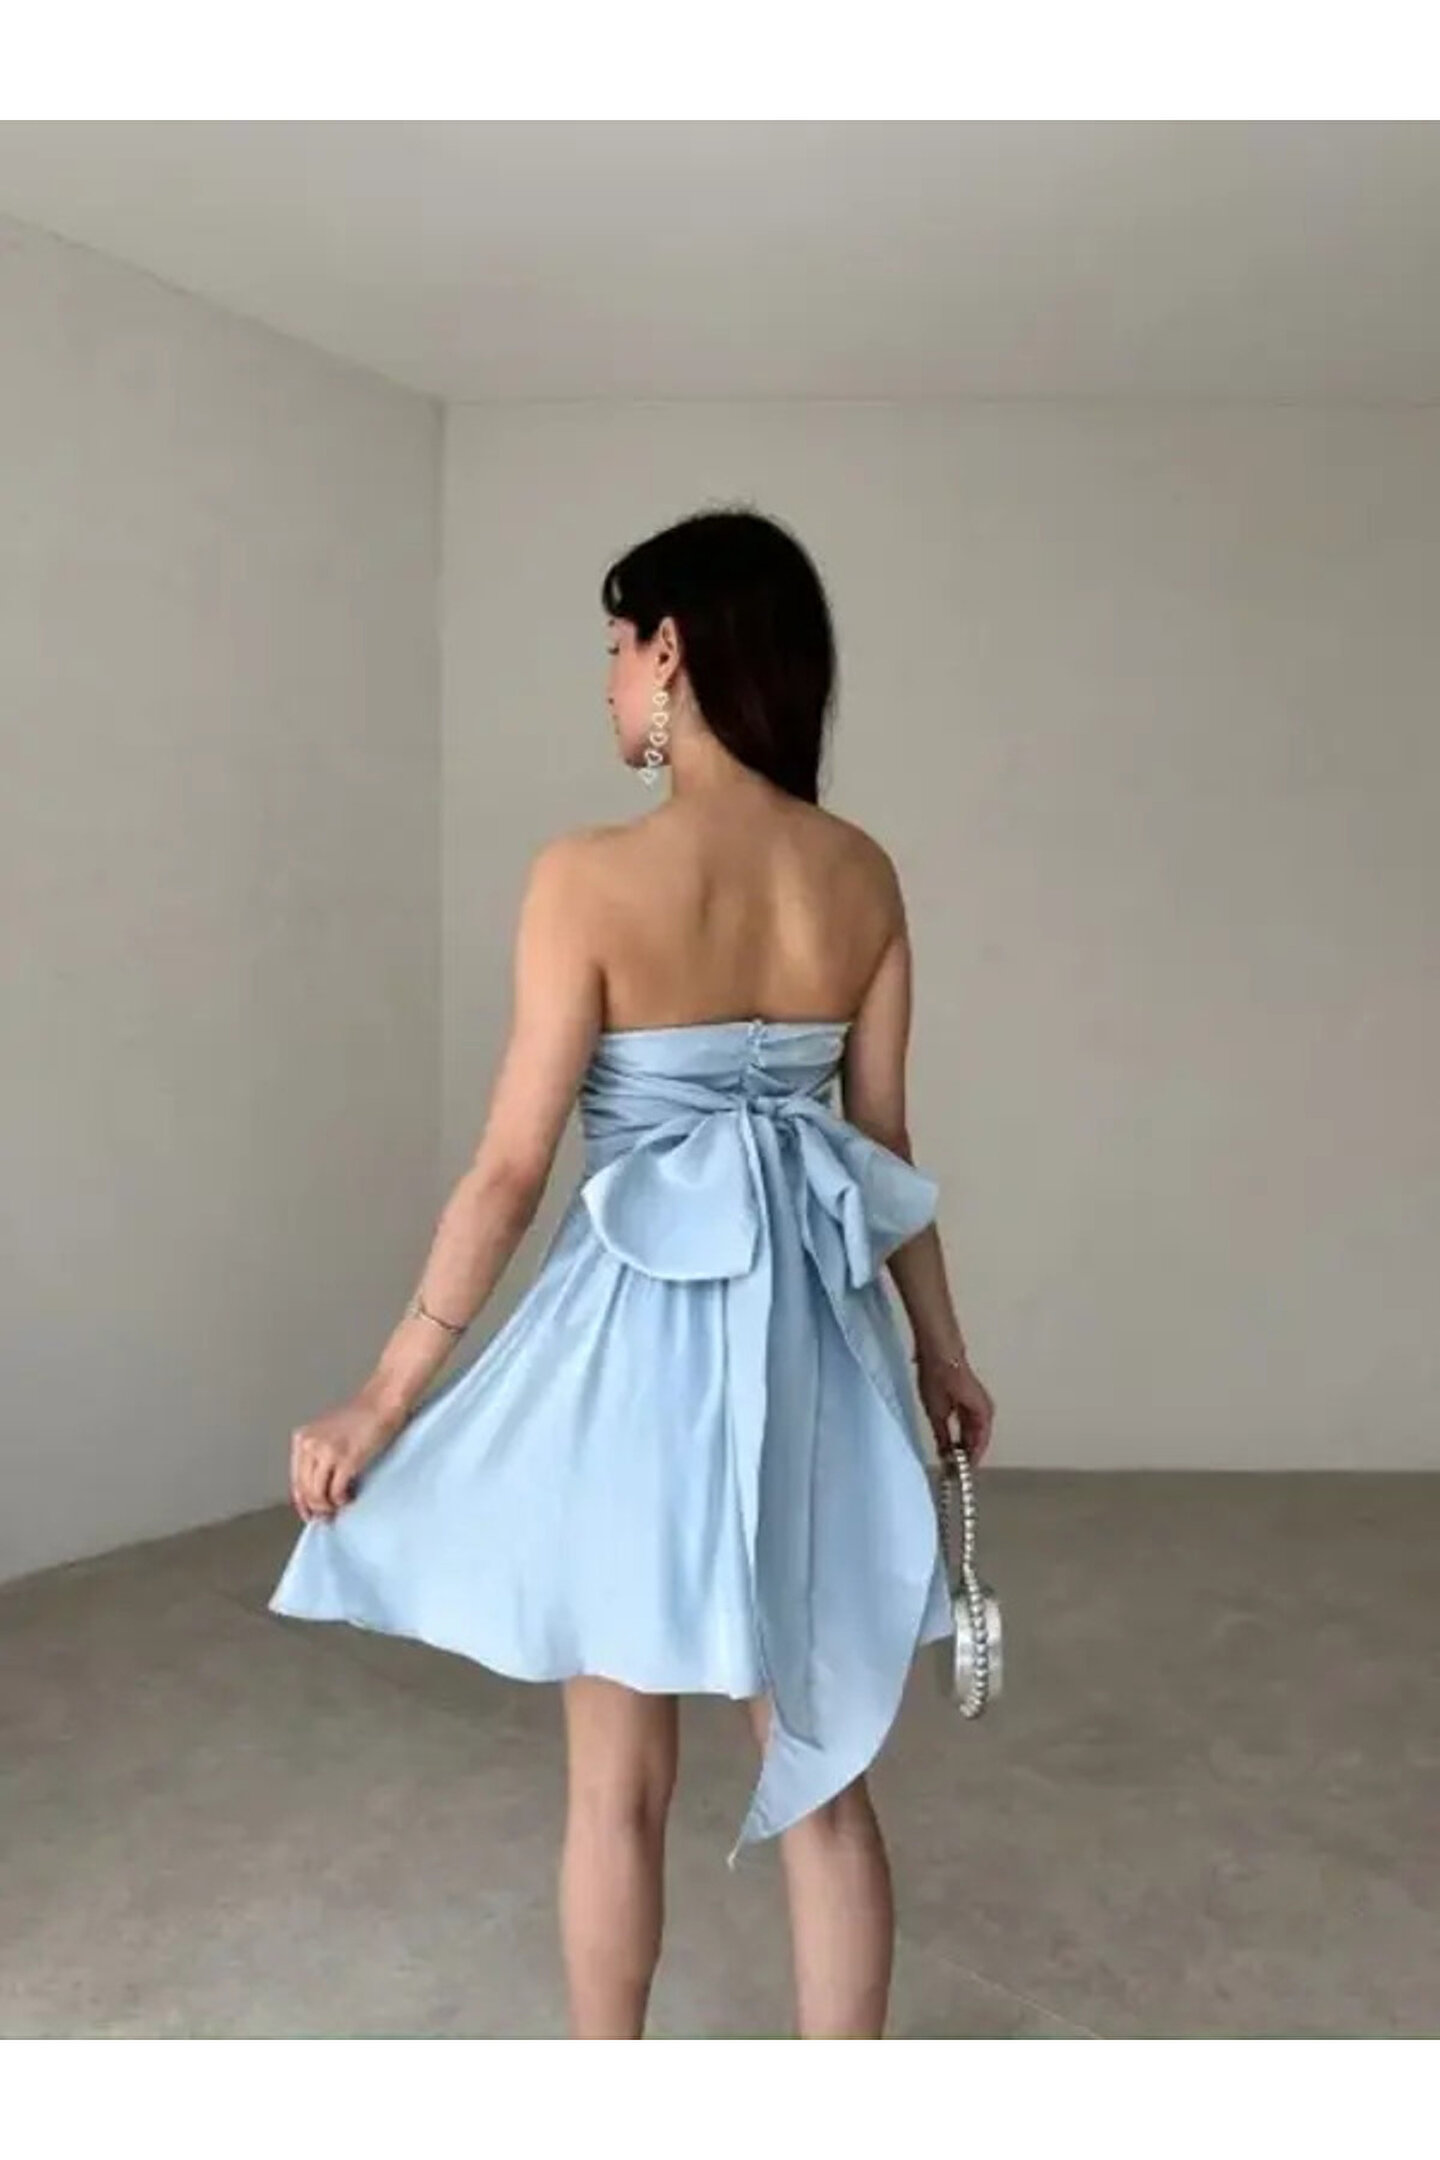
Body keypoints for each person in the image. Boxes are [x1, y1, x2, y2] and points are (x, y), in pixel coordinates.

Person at [268, 505, 996, 2041]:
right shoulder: (861, 875)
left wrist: (383, 1398)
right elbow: (886, 1148)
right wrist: (941, 1356)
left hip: (636, 1357)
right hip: (814, 1347)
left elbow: (510, 1173)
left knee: (615, 1786)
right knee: (823, 1775)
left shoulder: (586, 877)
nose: (606, 682)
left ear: (672, 652)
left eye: (614, 648)